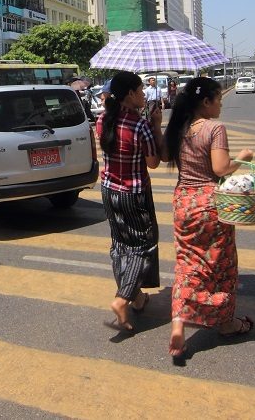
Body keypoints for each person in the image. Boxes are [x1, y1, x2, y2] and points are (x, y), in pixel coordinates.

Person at [162, 76, 255, 362]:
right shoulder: (214, 128)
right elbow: (220, 168)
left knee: (187, 263)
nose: (221, 104)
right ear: (206, 101)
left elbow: (164, 157)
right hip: (210, 205)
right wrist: (243, 157)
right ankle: (226, 323)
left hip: (183, 203)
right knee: (220, 264)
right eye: (218, 99)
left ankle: (179, 323)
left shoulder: (177, 127)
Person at [96, 71, 164, 332]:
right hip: (134, 194)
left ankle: (136, 298)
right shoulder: (139, 126)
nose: (144, 94)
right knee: (141, 245)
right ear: (129, 95)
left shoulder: (103, 120)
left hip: (109, 191)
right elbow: (154, 163)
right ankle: (122, 299)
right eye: (140, 90)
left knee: (120, 243)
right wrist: (156, 125)